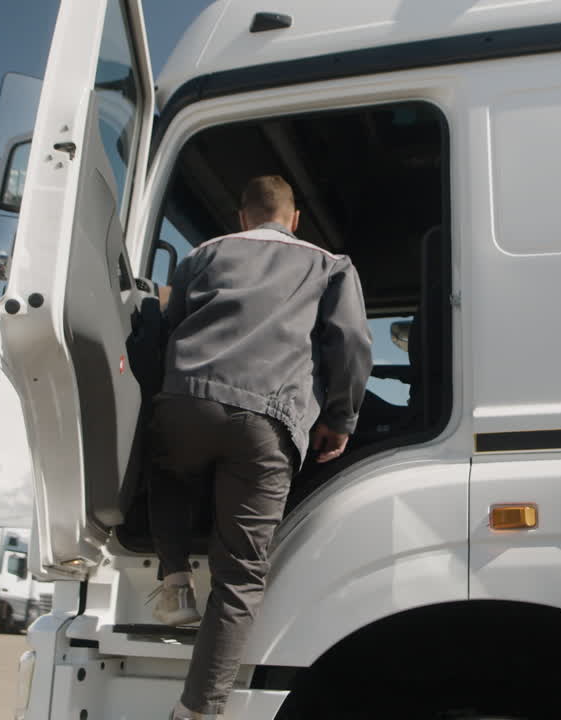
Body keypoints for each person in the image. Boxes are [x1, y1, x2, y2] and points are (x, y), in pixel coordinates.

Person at [147, 175, 373, 719]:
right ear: (294, 219)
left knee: (160, 463)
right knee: (241, 574)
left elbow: (168, 327)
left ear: (242, 216)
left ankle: (174, 577)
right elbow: (351, 342)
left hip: (187, 403)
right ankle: (198, 710)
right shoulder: (329, 263)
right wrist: (339, 419)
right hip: (267, 420)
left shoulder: (204, 254)